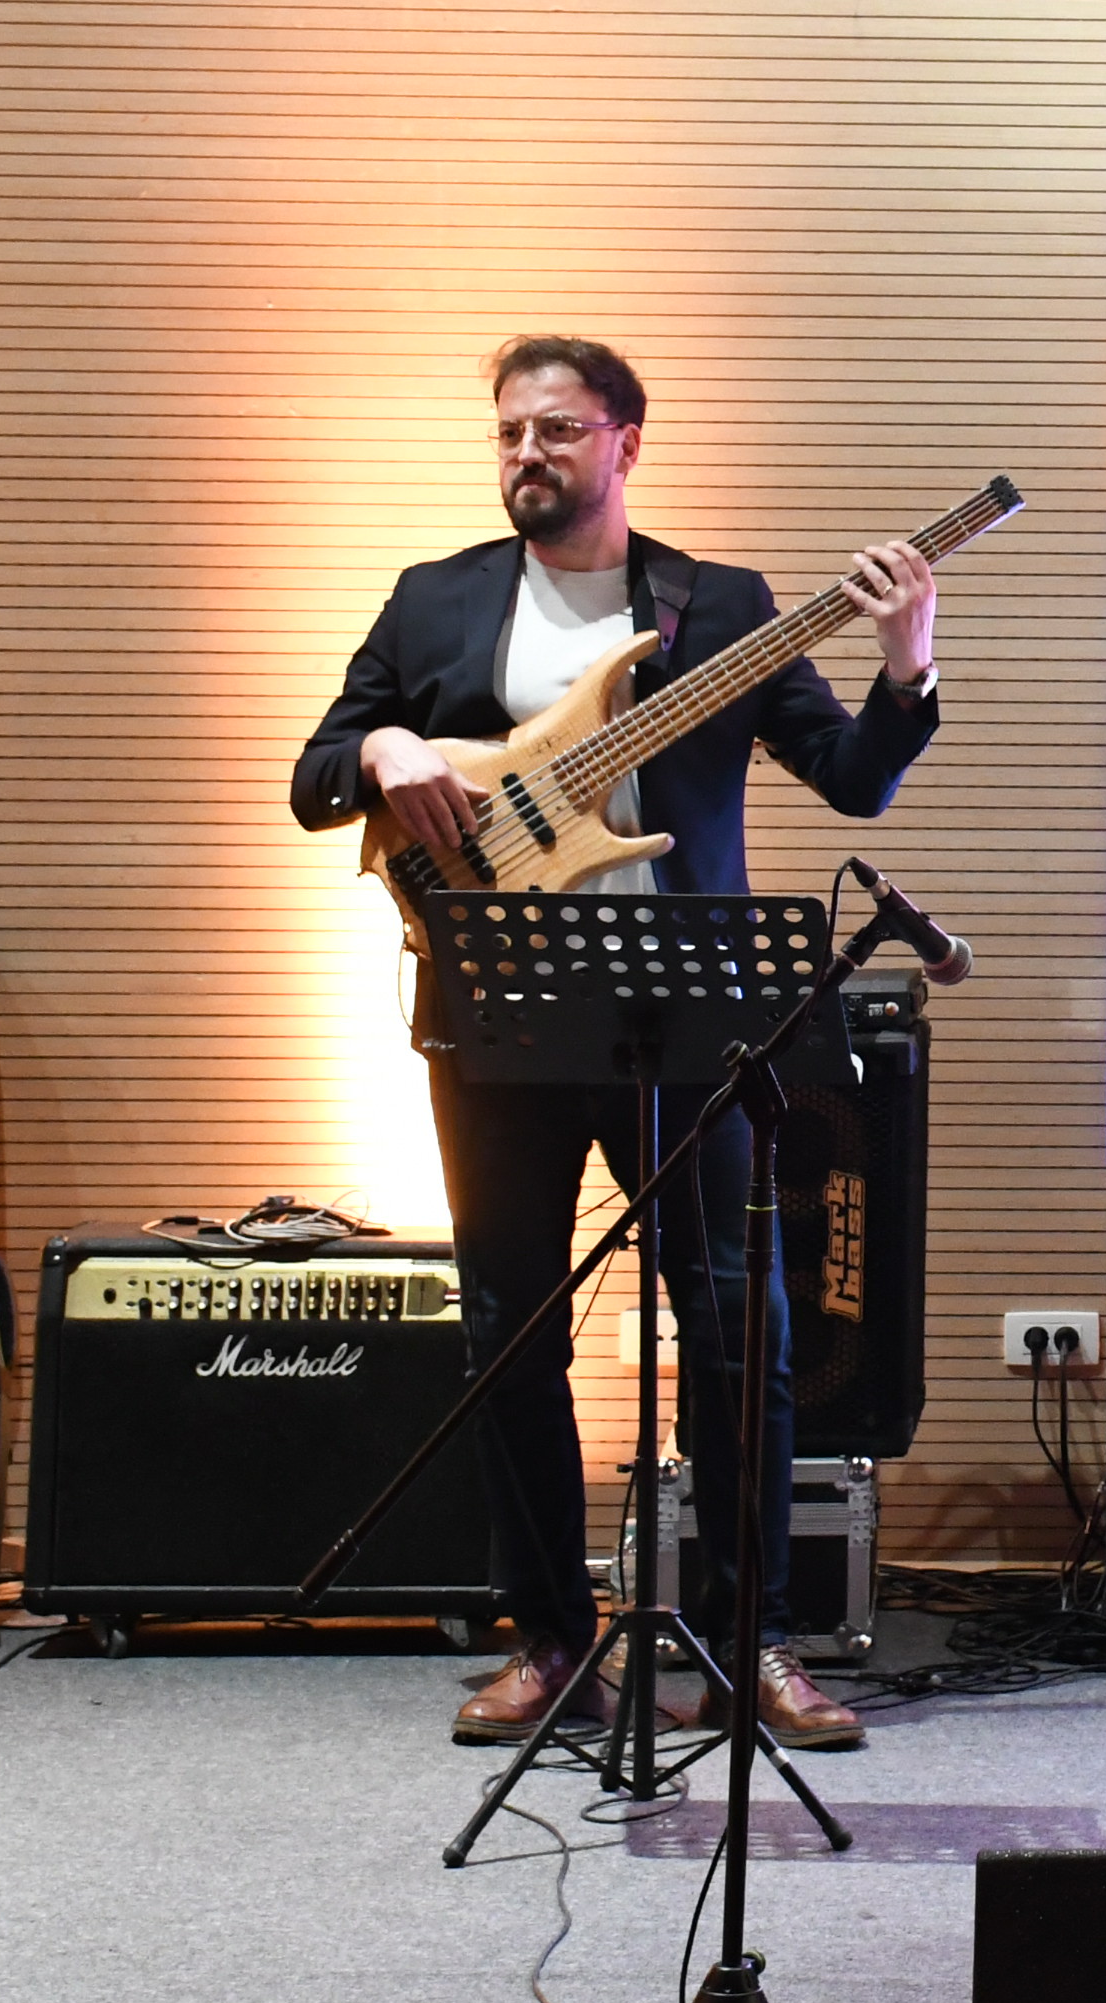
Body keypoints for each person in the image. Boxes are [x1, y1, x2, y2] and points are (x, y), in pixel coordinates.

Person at [293, 335, 942, 1750]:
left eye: (558, 431)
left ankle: (749, 1644)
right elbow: (315, 775)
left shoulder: (723, 606)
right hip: (497, 1007)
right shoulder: (435, 598)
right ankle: (549, 1643)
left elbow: (851, 783)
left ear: (624, 443)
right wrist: (386, 752)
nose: (528, 454)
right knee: (508, 1328)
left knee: (739, 1325)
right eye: (510, 433)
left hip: (685, 1011)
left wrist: (907, 665)